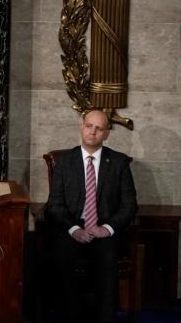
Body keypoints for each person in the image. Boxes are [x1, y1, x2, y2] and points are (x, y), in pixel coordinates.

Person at [45, 109, 137, 323]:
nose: (92, 132)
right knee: (63, 257)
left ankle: (104, 317)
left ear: (106, 134)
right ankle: (72, 317)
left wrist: (107, 228)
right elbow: (55, 205)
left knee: (107, 258)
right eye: (89, 126)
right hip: (72, 229)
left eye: (99, 129)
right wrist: (74, 230)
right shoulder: (65, 162)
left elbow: (129, 205)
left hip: (103, 231)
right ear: (81, 127)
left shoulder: (118, 163)